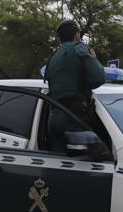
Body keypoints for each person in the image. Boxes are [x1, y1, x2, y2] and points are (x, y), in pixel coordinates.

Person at [44, 20, 106, 154]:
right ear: (77, 34)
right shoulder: (80, 49)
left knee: (59, 165)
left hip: (54, 118)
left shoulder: (54, 56)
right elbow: (100, 78)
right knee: (85, 165)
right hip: (75, 119)